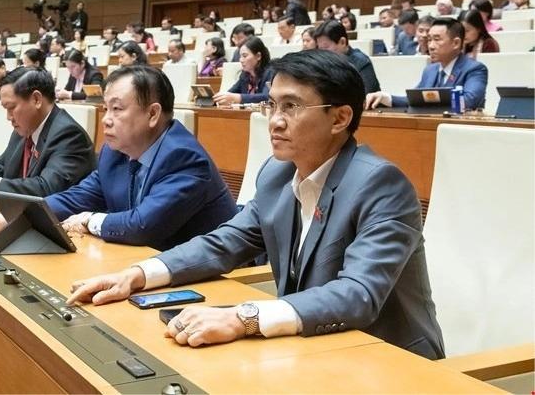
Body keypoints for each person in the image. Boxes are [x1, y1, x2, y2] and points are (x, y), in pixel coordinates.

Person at [63, 50, 445, 360]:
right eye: (271, 106)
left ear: (340, 118)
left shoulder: (380, 184)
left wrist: (241, 318)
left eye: (291, 107)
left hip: (387, 360)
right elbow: (223, 242)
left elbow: (357, 294)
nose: (275, 121)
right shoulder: (277, 175)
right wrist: (136, 275)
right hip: (308, 349)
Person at [0, 66, 237, 251]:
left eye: (117, 109)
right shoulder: (114, 152)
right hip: (142, 263)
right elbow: (76, 197)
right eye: (106, 108)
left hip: (213, 280)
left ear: (153, 114)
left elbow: (143, 226)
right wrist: (13, 219)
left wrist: (89, 221)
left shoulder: (185, 158)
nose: (106, 120)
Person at [0, 69, 96, 195]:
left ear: (36, 99)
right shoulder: (25, 128)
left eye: (11, 107)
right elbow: (2, 165)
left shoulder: (69, 135)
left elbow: (47, 188)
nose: (8, 117)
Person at [365, 18, 488, 111]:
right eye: (429, 40)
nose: (431, 46)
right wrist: (385, 97)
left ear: (456, 43)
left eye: (437, 39)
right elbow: (415, 99)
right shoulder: (430, 70)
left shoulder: (475, 69)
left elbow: (468, 101)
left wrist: (426, 100)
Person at [313, 20, 381, 94]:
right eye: (320, 48)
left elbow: (367, 94)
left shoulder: (361, 61)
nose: (322, 53)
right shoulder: (324, 61)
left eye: (326, 47)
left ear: (342, 42)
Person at [213, 37, 273, 105]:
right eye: (240, 56)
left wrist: (238, 98)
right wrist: (221, 97)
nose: (241, 60)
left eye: (244, 56)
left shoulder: (270, 72)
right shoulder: (245, 75)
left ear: (258, 56)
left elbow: (267, 97)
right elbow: (230, 93)